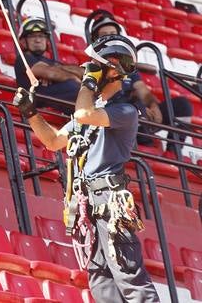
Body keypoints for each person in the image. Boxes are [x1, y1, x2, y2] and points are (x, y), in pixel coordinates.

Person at [13, 34, 160, 303]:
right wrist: (31, 113)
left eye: (95, 65)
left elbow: (83, 114)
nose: (87, 68)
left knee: (129, 278)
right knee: (100, 279)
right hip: (87, 204)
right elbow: (54, 141)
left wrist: (88, 83)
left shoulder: (124, 111)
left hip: (109, 201)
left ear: (113, 70)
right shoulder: (93, 112)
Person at [88, 11, 193, 150]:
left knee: (182, 105)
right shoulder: (93, 65)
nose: (110, 38)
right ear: (96, 40)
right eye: (105, 35)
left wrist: (153, 106)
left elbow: (142, 90)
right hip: (114, 118)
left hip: (136, 115)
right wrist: (137, 105)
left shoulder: (126, 63)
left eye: (113, 34)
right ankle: (142, 140)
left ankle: (173, 154)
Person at [14, 16, 83, 113]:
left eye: (41, 36)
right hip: (39, 108)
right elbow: (51, 74)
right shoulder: (23, 59)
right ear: (23, 42)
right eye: (32, 36)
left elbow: (82, 72)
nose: (38, 40)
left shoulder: (52, 63)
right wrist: (73, 77)